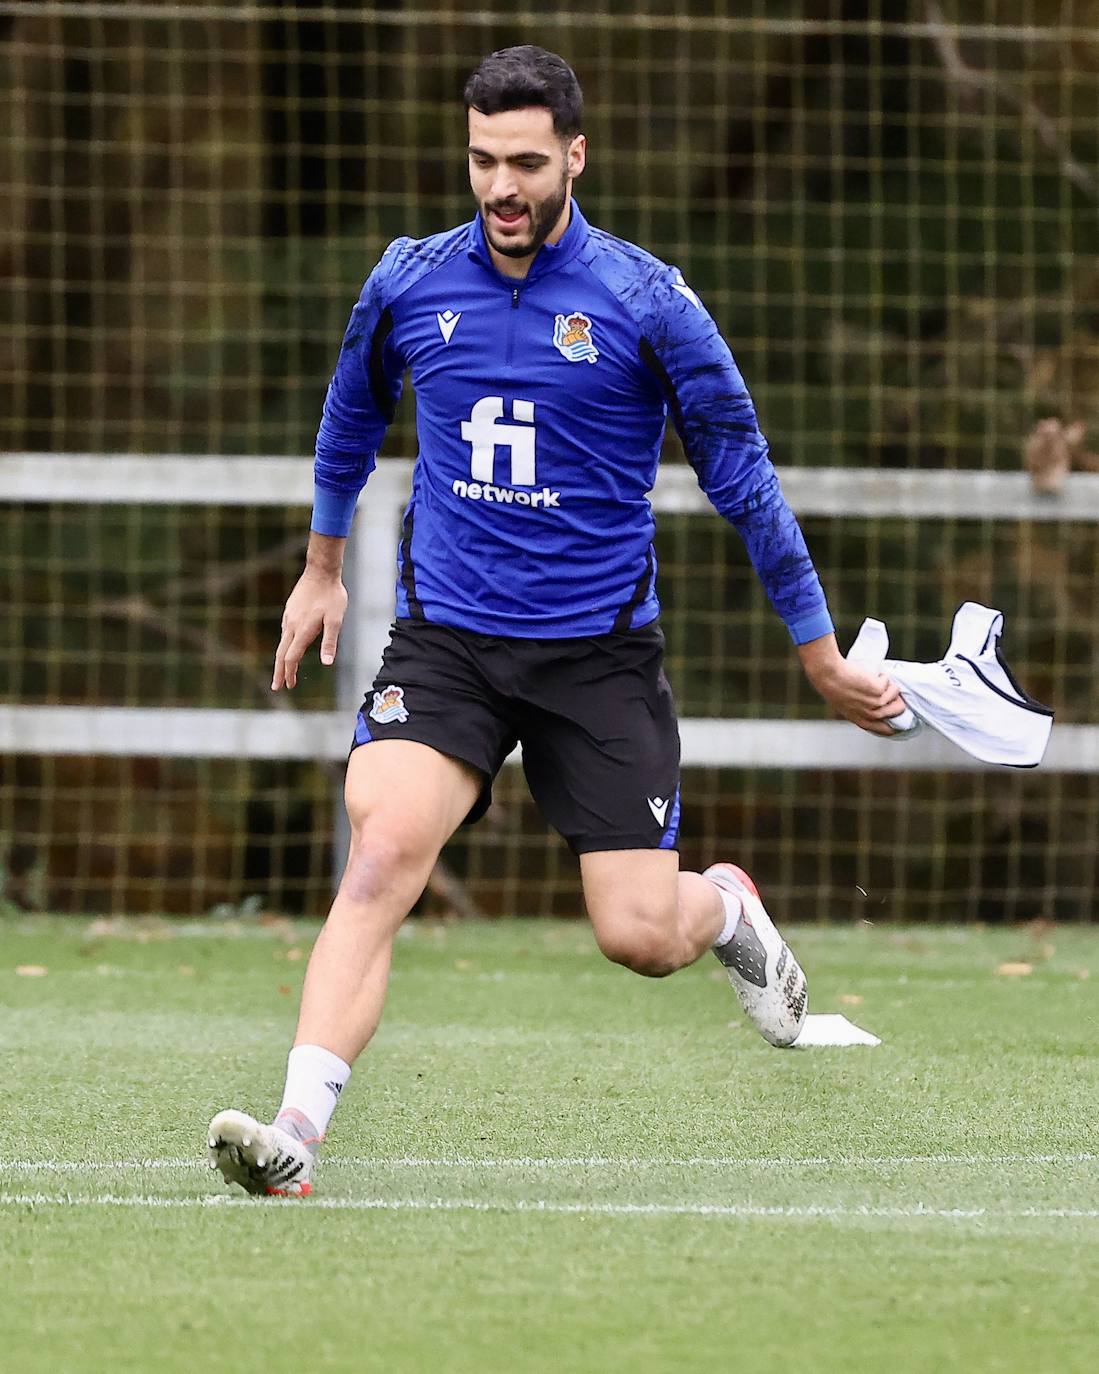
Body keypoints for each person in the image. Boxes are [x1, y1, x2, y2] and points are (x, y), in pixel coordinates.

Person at [207, 45, 904, 1197]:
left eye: (526, 162)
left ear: (575, 156)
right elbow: (349, 416)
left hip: (597, 658)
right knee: (378, 854)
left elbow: (743, 479)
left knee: (638, 935)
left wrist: (820, 656)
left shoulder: (647, 300)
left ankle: (724, 907)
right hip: (447, 644)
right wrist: (320, 566)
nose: (502, 187)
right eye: (482, 160)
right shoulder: (409, 282)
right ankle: (295, 1135)